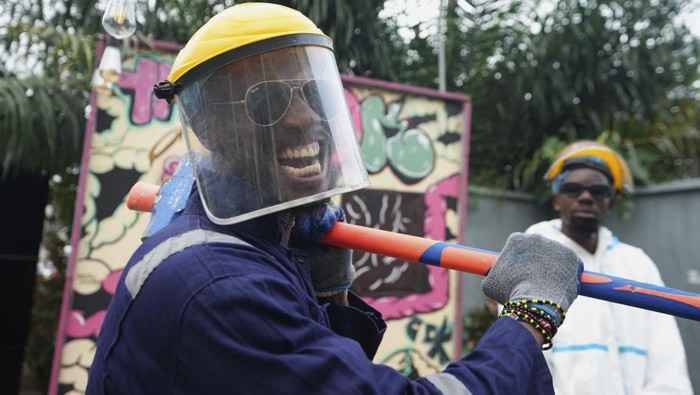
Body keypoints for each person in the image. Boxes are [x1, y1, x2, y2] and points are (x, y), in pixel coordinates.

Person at [86, 3, 582, 394]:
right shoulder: (215, 284)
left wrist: (329, 295)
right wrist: (528, 320)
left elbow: (321, 374)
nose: (306, 120)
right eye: (267, 101)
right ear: (207, 126)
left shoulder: (253, 246)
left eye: (314, 95)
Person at [526, 140, 693, 394]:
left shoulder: (637, 264)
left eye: (598, 191)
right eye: (573, 189)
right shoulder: (534, 253)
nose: (585, 197)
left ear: (611, 202)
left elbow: (667, 358)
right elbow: (528, 358)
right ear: (556, 199)